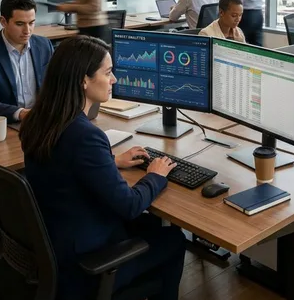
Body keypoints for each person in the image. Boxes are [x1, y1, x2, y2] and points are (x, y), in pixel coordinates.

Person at [21, 35, 184, 300]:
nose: (114, 79)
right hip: (87, 263)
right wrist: (155, 175)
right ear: (83, 80)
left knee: (152, 227)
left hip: (57, 247)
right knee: (173, 239)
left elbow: (66, 167)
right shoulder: (84, 136)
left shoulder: (40, 119)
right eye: (108, 72)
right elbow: (130, 205)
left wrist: (111, 161)